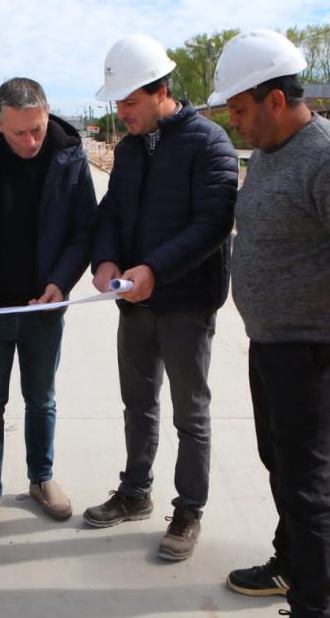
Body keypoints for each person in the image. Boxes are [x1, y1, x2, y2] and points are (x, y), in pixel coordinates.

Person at [209, 30, 330, 618]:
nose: (234, 121)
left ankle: (315, 605)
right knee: (280, 462)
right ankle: (289, 564)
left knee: (307, 486)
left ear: (275, 100)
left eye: (239, 109)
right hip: (274, 340)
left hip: (315, 346)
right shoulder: (270, 152)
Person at [84, 34, 238, 562]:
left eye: (130, 102)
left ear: (161, 91)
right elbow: (112, 214)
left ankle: (189, 509)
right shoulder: (127, 152)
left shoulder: (208, 143)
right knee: (137, 405)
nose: (122, 113)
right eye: (118, 103)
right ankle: (134, 493)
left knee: (189, 413)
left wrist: (156, 269)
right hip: (135, 304)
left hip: (186, 304)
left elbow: (213, 222)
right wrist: (104, 259)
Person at [0, 77, 98, 541]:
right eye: (20, 133)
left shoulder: (68, 153)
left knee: (41, 399)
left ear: (47, 116)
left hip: (43, 306)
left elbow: (84, 227)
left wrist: (60, 282)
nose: (31, 142)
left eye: (38, 130)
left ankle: (41, 479)